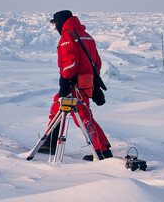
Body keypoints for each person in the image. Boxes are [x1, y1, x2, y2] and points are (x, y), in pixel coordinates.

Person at [36, 10, 113, 159]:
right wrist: (94, 84)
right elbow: (96, 62)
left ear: (60, 22)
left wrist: (64, 84)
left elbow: (70, 63)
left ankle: (102, 151)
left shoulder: (68, 36)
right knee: (57, 106)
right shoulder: (86, 35)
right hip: (85, 82)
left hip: (75, 84)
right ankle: (50, 142)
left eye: (55, 24)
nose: (55, 28)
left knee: (83, 116)